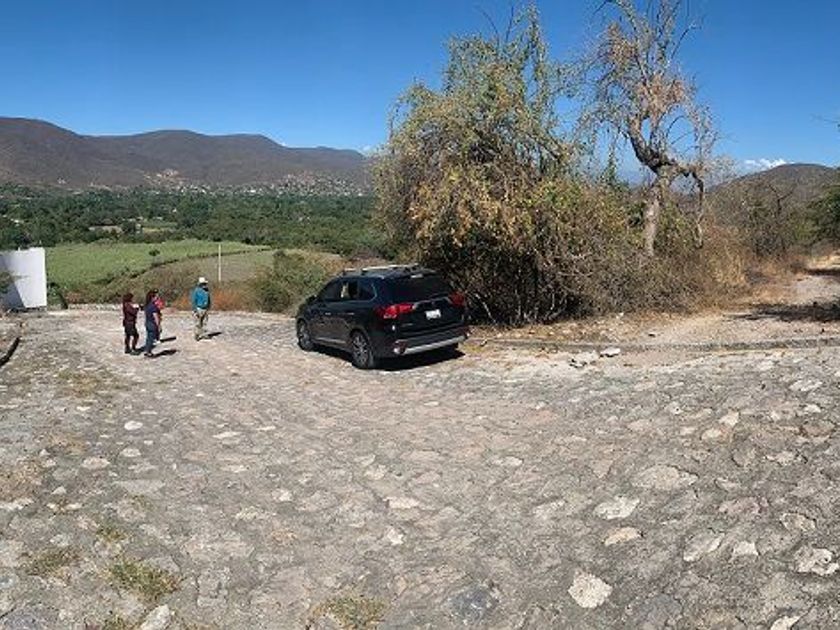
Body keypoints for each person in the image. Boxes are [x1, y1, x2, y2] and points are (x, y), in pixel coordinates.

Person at [142, 290, 161, 357]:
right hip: (152, 324)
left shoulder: (147, 305)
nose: (157, 298)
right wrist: (159, 326)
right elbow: (156, 317)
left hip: (147, 322)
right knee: (151, 339)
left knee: (148, 338)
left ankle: (147, 351)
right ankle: (148, 352)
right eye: (156, 297)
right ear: (152, 297)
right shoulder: (153, 306)